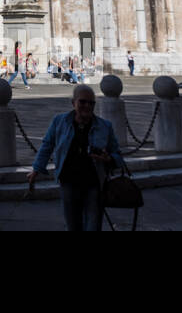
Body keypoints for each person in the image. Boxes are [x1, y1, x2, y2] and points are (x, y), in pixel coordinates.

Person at [27, 84, 123, 231]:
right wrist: (36, 169)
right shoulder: (59, 121)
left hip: (94, 183)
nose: (87, 106)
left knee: (93, 225)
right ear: (73, 103)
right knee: (72, 225)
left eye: (91, 103)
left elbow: (118, 155)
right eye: (82, 102)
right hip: (69, 181)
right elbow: (47, 145)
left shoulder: (105, 126)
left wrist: (108, 159)